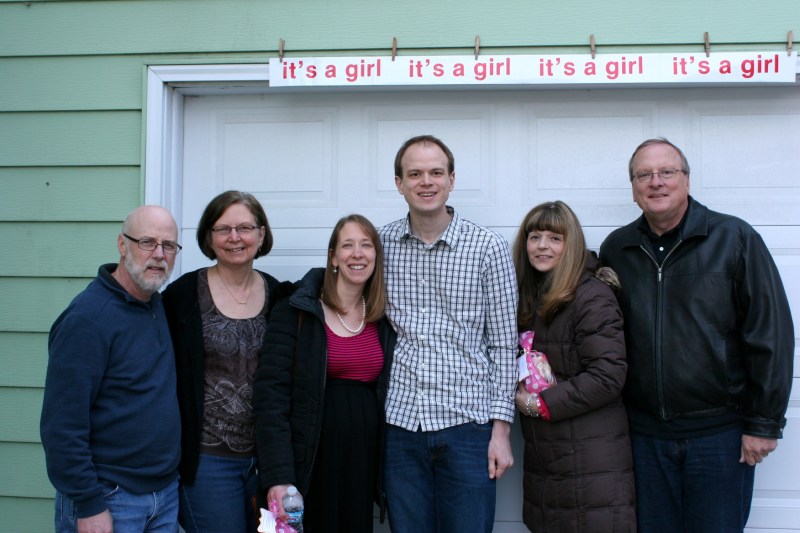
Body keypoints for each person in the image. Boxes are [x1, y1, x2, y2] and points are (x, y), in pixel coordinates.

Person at [599, 138, 795, 532]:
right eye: (644, 175)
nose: (656, 182)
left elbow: (769, 333)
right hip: (644, 437)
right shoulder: (618, 249)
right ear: (634, 188)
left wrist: (764, 423)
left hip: (719, 436)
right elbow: (603, 333)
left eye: (667, 172)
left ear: (686, 180)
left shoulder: (733, 239)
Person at [378, 135, 519, 532]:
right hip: (400, 425)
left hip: (468, 428)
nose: (426, 182)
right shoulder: (378, 244)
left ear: (451, 180)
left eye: (436, 172)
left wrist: (501, 431)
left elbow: (504, 345)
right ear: (399, 183)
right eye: (415, 173)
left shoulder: (487, 248)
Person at [40, 205, 182, 533]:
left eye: (169, 245)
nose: (159, 254)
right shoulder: (88, 319)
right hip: (110, 497)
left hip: (164, 494)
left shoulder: (156, 304)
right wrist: (89, 504)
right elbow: (61, 426)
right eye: (147, 242)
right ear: (122, 244)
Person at [253, 214, 396, 532]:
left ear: (376, 256)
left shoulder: (383, 317)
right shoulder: (297, 310)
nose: (357, 253)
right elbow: (270, 397)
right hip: (309, 461)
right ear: (333, 256)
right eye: (347, 245)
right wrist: (279, 475)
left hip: (361, 461)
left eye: (366, 245)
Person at [162, 190, 286, 533]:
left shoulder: (280, 297)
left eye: (245, 227)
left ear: (261, 235)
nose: (235, 238)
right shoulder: (182, 297)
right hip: (207, 463)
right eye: (223, 229)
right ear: (208, 237)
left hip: (268, 463)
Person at [511, 201, 635, 531]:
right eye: (535, 236)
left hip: (590, 458)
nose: (542, 246)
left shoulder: (590, 296)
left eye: (554, 238)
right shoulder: (530, 296)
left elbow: (608, 376)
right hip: (549, 458)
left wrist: (538, 405)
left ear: (572, 244)